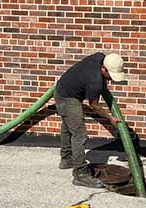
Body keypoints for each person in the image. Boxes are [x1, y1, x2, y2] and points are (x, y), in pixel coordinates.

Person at [54, 53, 128, 188]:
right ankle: (81, 175)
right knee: (79, 134)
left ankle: (66, 160)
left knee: (68, 127)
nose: (111, 79)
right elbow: (94, 105)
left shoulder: (100, 57)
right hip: (67, 98)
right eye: (110, 75)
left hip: (62, 89)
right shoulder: (95, 81)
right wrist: (110, 118)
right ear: (104, 69)